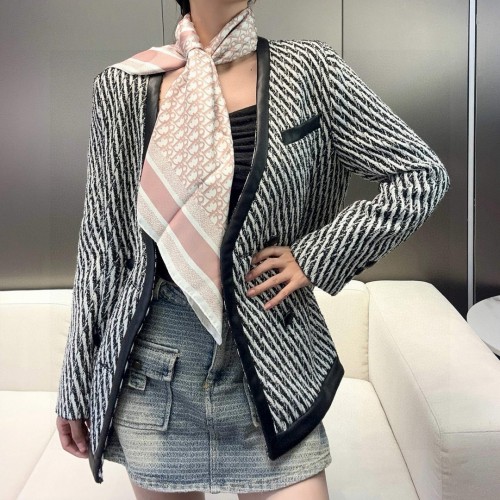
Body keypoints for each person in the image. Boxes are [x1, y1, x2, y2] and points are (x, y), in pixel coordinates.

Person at [55, 0, 451, 498]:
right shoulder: (125, 87)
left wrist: (315, 255)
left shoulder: (310, 71)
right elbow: (103, 245)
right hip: (156, 375)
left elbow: (420, 175)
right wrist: (76, 382)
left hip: (274, 367)